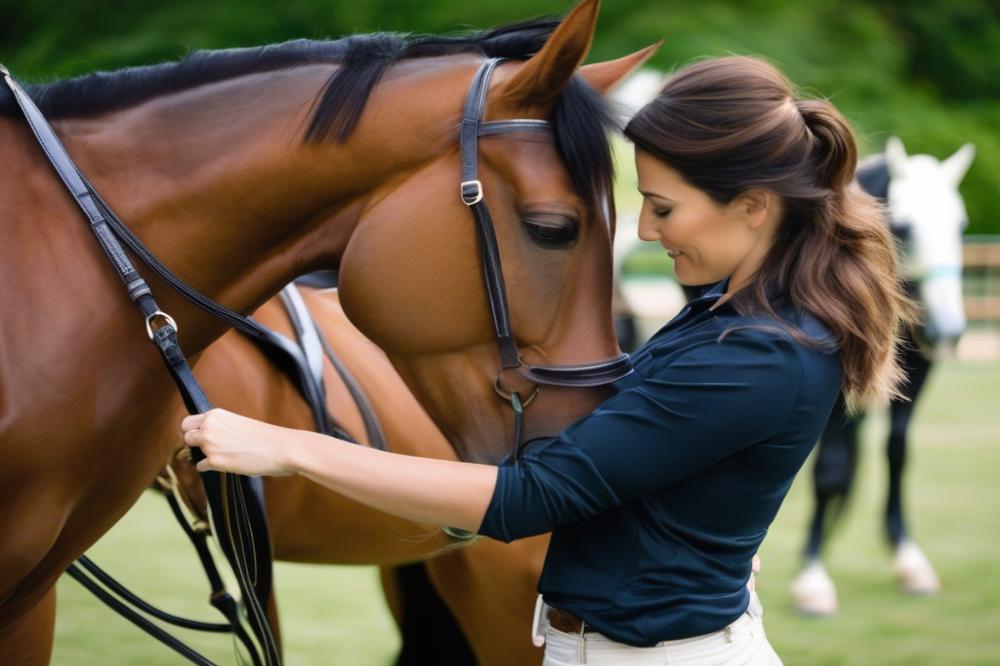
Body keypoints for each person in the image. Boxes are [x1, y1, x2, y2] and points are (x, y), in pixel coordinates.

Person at [181, 55, 911, 665]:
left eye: (663, 207)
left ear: (753, 205)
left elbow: (530, 500)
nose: (650, 232)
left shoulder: (759, 353)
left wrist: (287, 447)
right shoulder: (722, 319)